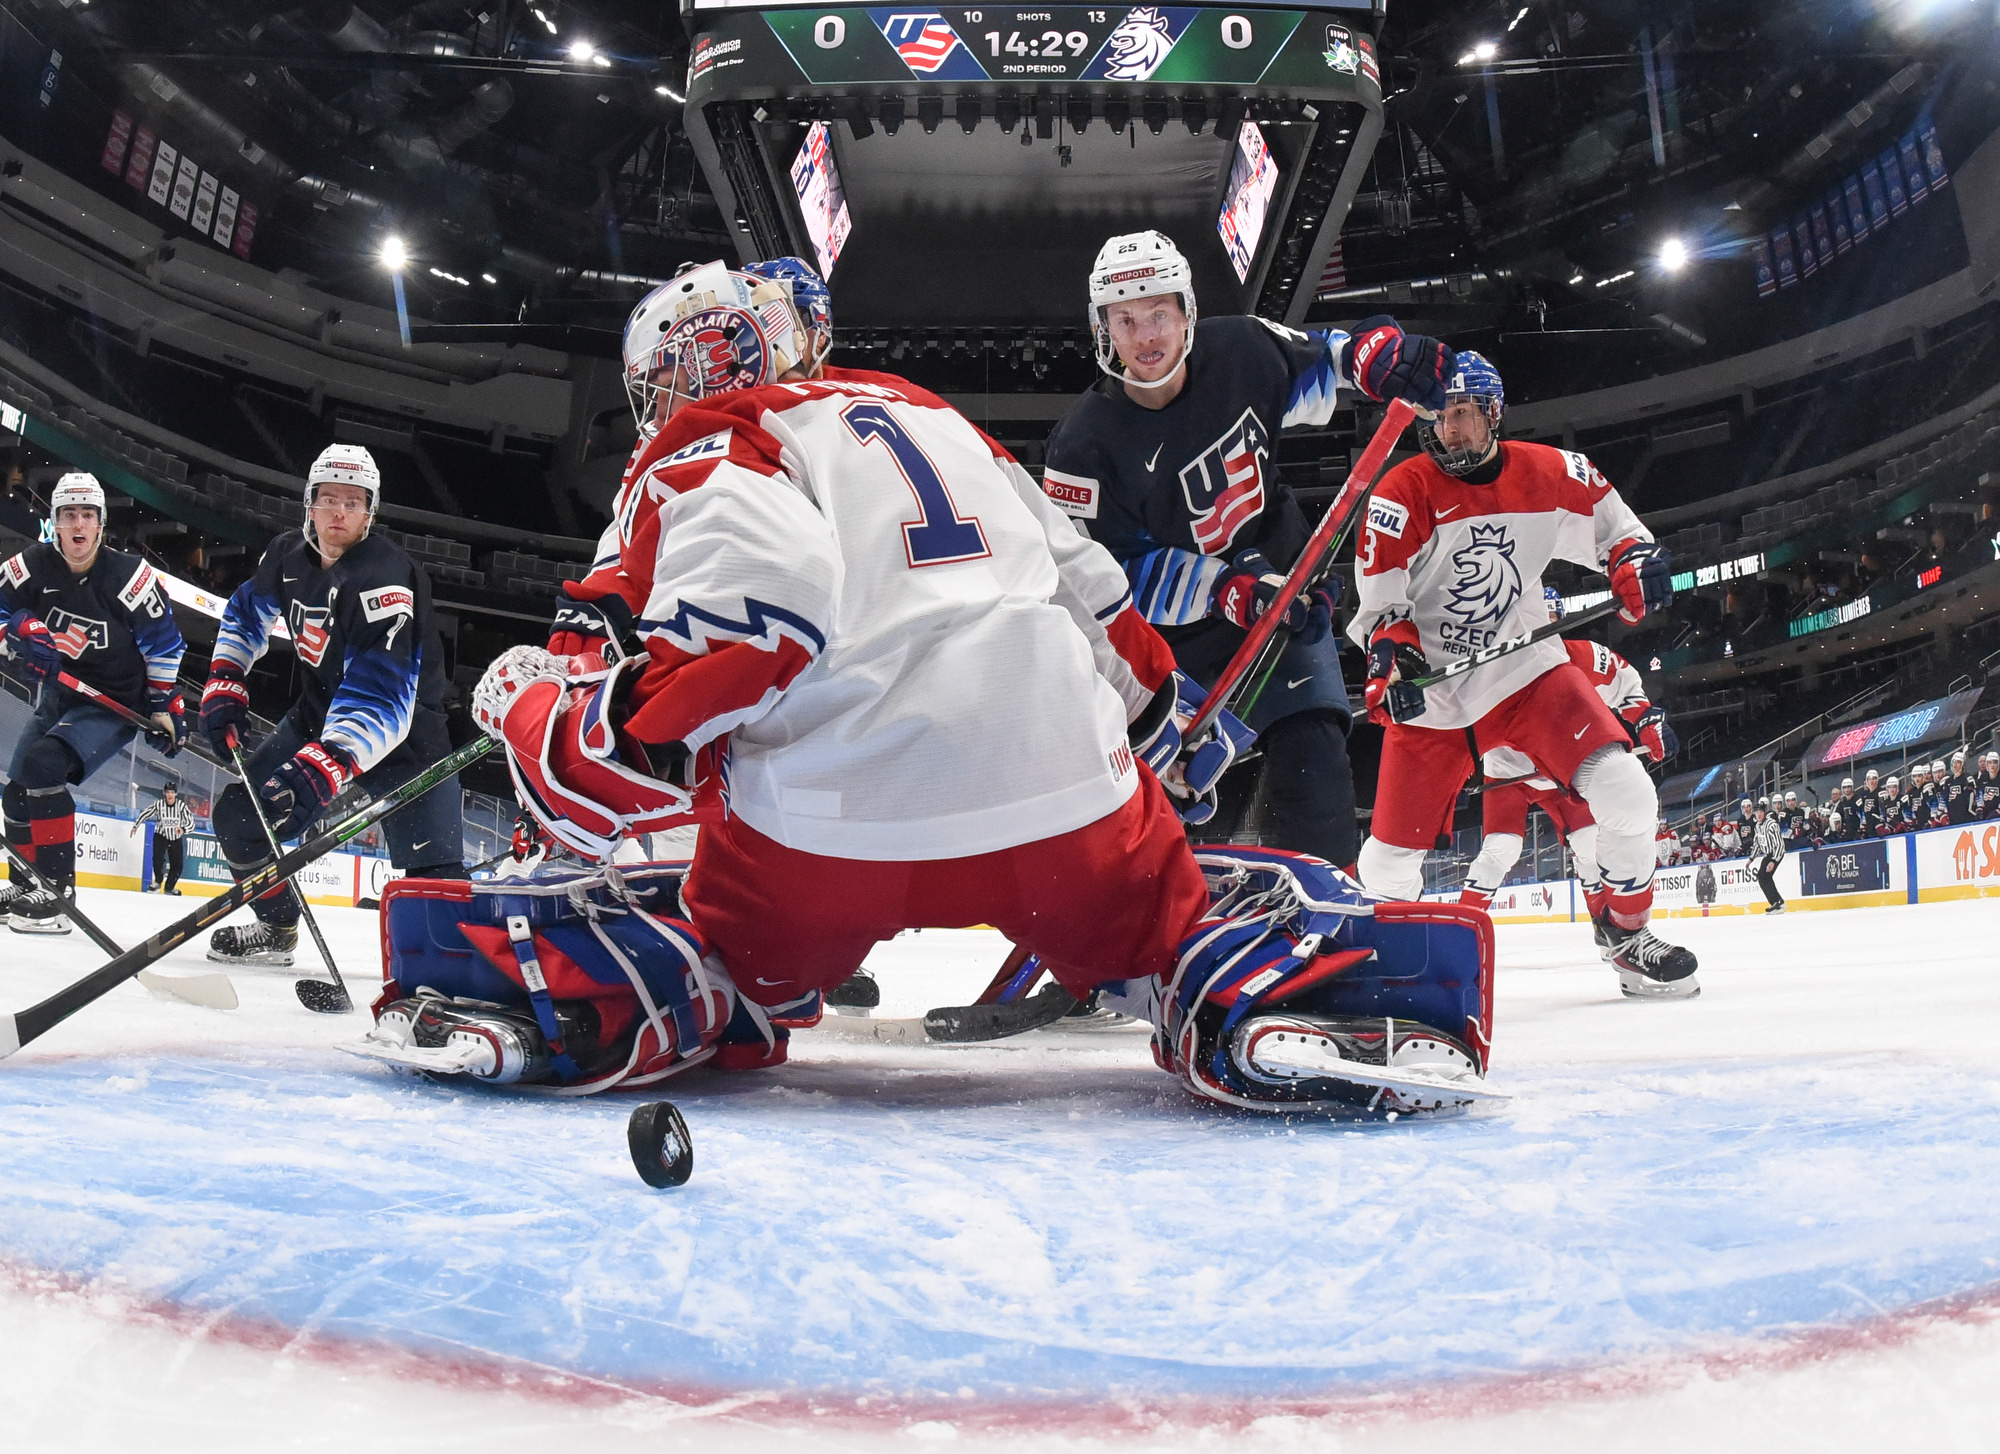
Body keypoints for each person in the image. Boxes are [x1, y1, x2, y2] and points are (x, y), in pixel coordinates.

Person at [455, 258, 1496, 1114]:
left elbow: (757, 634)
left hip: (822, 842)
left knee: (740, 953)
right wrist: (1154, 737)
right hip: (1064, 816)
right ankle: (1228, 983)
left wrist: (542, 716)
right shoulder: (937, 417)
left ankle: (685, 989)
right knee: (1153, 925)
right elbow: (1110, 616)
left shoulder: (707, 442)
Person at [1039, 231, 1457, 870]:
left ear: (1186, 313)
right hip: (1172, 644)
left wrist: (1376, 358)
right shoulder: (1081, 449)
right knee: (1155, 818)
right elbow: (1102, 579)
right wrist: (1222, 588)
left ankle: (1331, 936)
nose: (1146, 336)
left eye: (1158, 313)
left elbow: (1332, 361)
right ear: (1104, 329)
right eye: (1126, 319)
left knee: (1314, 761)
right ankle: (1128, 949)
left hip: (1283, 580)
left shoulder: (1242, 348)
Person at [1346, 348, 1699, 998]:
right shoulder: (1400, 493)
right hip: (1436, 693)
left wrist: (1634, 562)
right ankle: (1380, 972)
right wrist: (1391, 649)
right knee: (1390, 862)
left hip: (1524, 669)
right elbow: (1381, 607)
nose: (1451, 431)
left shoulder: (1556, 473)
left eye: (1465, 416)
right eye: (1440, 417)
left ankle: (1627, 938)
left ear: (1493, 415)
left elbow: (1624, 537)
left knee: (1628, 794)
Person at [199, 444, 466, 967]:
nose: (339, 512)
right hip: (317, 715)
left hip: (409, 738)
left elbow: (384, 689)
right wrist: (227, 678)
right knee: (241, 818)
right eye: (328, 499)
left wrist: (333, 758)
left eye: (353, 501)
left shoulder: (387, 575)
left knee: (435, 878)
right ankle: (277, 930)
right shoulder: (285, 556)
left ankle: (448, 978)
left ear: (370, 511)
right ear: (309, 504)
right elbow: (246, 611)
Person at [0, 472, 185, 933]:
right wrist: (18, 632)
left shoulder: (129, 576)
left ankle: (58, 892)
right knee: (16, 790)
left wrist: (164, 704)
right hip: (62, 692)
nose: (78, 523)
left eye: (88, 514)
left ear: (101, 523)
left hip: (111, 701)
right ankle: (26, 882)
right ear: (54, 521)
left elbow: (165, 644)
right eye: (68, 514)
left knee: (44, 766)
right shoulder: (31, 566)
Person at [130, 783, 195, 894]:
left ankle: (169, 887)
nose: (170, 795)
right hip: (161, 836)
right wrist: (136, 825)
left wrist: (183, 829)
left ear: (176, 794)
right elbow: (146, 813)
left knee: (177, 864)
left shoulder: (181, 806)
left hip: (176, 838)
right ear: (164, 793)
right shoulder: (159, 804)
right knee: (158, 859)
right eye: (168, 792)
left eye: (172, 792)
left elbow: (191, 822)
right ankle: (158, 881)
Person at [1750, 799, 1785, 915]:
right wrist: (1751, 859)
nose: (1758, 814)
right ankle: (1776, 902)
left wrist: (1774, 861)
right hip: (1768, 854)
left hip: (1776, 853)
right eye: (1756, 811)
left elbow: (1779, 844)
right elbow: (1757, 844)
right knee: (1762, 877)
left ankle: (1778, 902)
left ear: (1764, 812)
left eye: (1760, 811)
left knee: (1765, 876)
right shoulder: (1757, 826)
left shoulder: (1772, 824)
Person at [1943, 748, 1977, 824]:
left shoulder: (1968, 778)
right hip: (1953, 819)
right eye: (1953, 762)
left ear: (1962, 764)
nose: (1955, 765)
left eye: (1958, 763)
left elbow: (1974, 795)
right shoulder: (1948, 781)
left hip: (1967, 818)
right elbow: (1946, 799)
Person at [1972, 750, 2000, 819]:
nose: (1992, 765)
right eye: (1990, 762)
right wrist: (1980, 808)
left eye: (1995, 762)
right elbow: (1979, 794)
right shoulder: (1983, 777)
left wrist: (1998, 810)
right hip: (1987, 811)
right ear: (1987, 764)